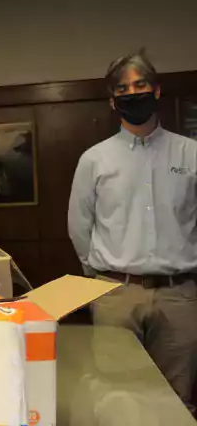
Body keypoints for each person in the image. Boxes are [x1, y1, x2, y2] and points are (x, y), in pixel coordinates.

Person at [68, 52, 197, 414]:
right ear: (113, 101)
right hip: (116, 295)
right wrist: (98, 279)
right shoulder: (95, 159)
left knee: (177, 397)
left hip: (180, 296)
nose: (132, 92)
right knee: (120, 397)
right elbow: (79, 224)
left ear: (156, 91)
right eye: (123, 88)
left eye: (140, 85)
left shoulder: (190, 153)